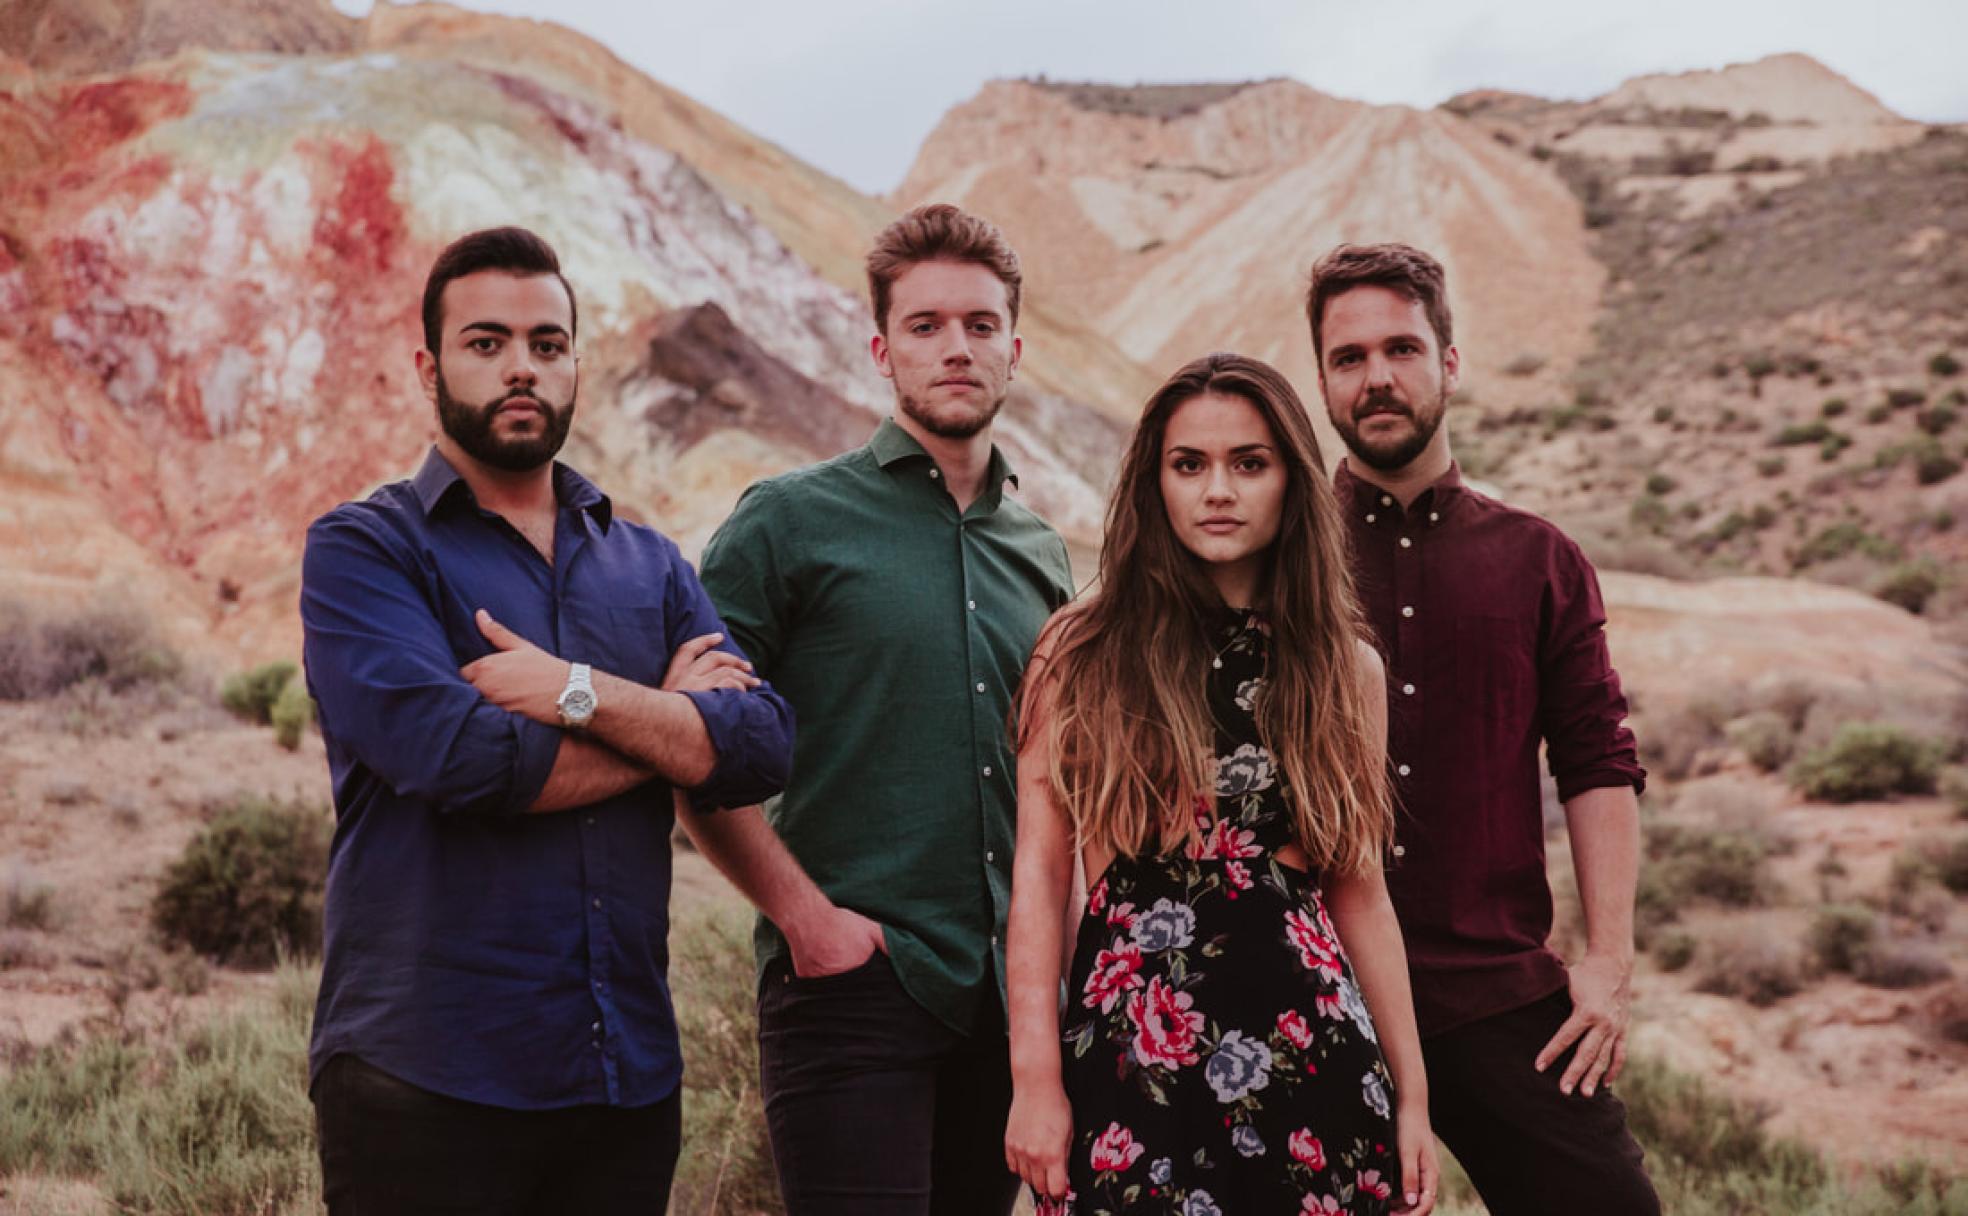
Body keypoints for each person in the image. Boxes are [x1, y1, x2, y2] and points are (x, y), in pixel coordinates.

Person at [299, 226, 793, 1215]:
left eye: (547, 345)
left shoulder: (647, 563)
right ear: (427, 368)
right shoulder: (367, 550)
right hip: (425, 1077)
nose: (521, 367)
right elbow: (460, 756)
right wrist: (670, 725)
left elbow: (761, 742)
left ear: (575, 365)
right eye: (486, 344)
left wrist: (581, 692)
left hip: (625, 1080)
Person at [685, 203, 1075, 1216]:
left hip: (1005, 1003)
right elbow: (694, 749)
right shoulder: (787, 521)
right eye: (927, 325)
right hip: (851, 989)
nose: (956, 348)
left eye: (981, 326)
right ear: (880, 348)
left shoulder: (1042, 552)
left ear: (1014, 350)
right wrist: (805, 920)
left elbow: (1062, 782)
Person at [1003, 352, 1438, 1216]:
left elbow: (1359, 893)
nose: (1218, 491)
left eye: (1250, 463)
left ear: (1291, 482)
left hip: (1314, 1060)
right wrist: (1035, 1080)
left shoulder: (1342, 666)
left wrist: (1416, 1098)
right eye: (1188, 464)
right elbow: (1041, 876)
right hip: (1134, 1060)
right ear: (1154, 483)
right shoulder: (1081, 648)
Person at [1304, 242, 1660, 1215]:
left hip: (1501, 993)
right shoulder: (1280, 560)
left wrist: (1608, 960)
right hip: (1315, 994)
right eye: (1349, 357)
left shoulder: (1541, 559)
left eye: (1403, 348)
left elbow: (1596, 758)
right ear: (1323, 380)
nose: (1378, 377)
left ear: (1448, 363)